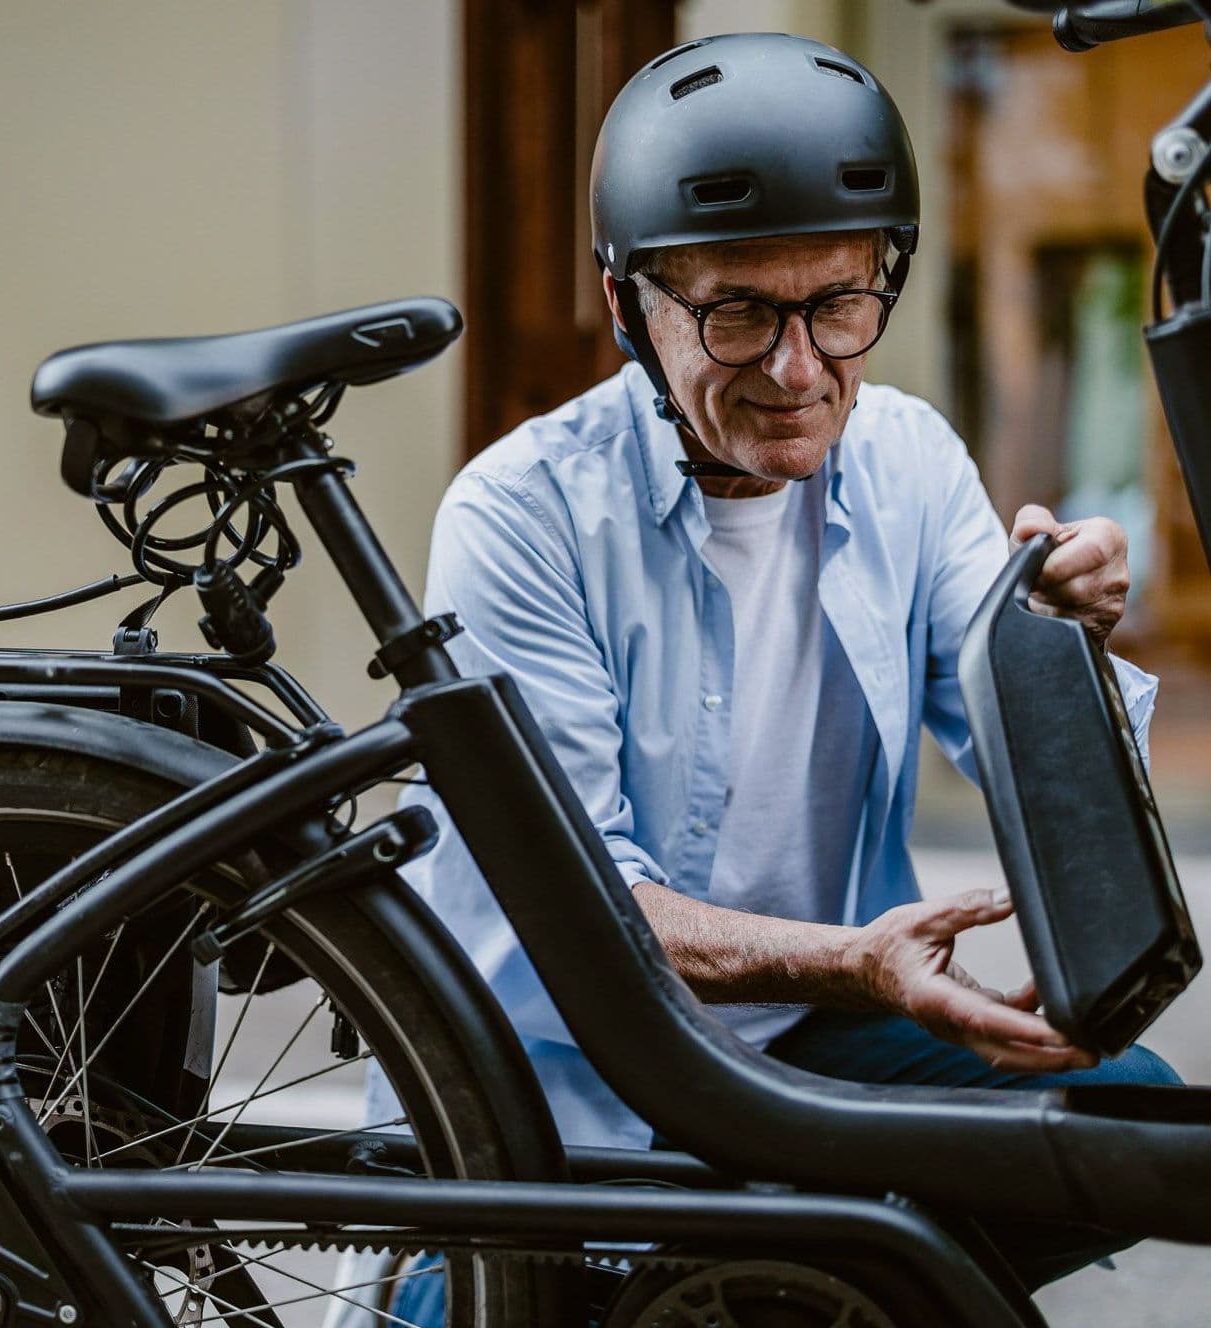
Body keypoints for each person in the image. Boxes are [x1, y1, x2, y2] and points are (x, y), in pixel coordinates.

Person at [365, 31, 1180, 1323]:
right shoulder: (518, 515)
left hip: (805, 1047)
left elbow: (1040, 764)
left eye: (839, 304)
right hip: (562, 1083)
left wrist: (1065, 636)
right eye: (738, 311)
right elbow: (593, 907)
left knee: (1143, 1136)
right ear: (629, 303)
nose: (799, 370)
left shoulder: (907, 456)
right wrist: (857, 963)